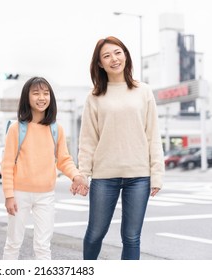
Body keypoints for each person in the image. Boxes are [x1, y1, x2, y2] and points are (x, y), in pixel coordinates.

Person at [73, 36, 164, 260]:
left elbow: (153, 134)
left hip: (139, 176)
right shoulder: (94, 97)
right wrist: (83, 173)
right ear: (100, 64)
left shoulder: (143, 91)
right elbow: (87, 140)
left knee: (132, 237)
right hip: (105, 176)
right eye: (106, 56)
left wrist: (157, 173)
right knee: (95, 233)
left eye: (118, 52)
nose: (114, 59)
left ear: (125, 55)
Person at [1, 76, 86, 260]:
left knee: (43, 246)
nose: (42, 97)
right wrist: (9, 196)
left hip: (46, 195)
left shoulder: (57, 129)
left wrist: (76, 176)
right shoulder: (16, 128)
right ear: (27, 97)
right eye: (36, 93)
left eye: (46, 93)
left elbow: (64, 160)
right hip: (19, 194)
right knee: (13, 243)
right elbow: (7, 164)